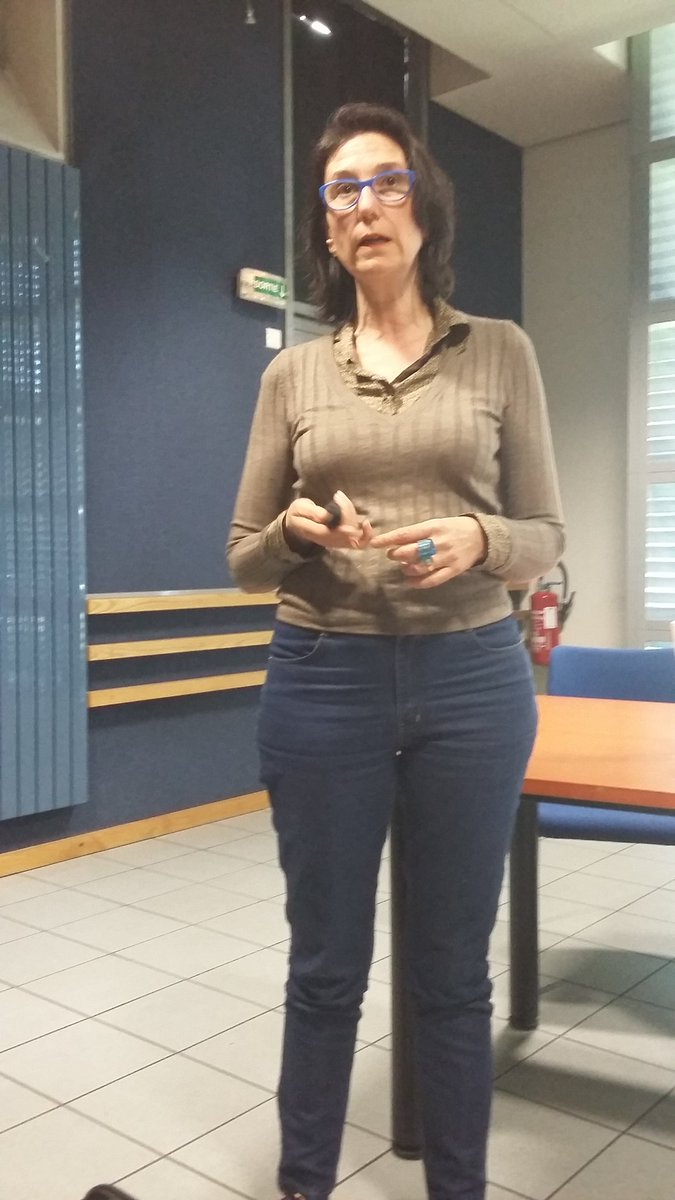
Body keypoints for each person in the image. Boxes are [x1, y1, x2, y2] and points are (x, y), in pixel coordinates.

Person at [227, 102, 564, 1200]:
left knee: (453, 976)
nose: (365, 205)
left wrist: (481, 540)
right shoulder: (292, 377)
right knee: (326, 968)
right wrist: (296, 532)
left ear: (423, 206)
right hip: (323, 680)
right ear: (327, 229)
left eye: (385, 182)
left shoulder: (500, 350)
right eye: (342, 190)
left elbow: (545, 535)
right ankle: (305, 1184)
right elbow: (244, 555)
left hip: (473, 680)